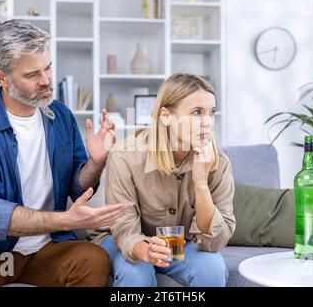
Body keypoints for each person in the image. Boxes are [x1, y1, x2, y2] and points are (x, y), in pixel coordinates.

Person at [0, 19, 126, 287]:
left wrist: (96, 163)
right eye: (32, 75)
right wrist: (64, 220)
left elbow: (76, 184)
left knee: (93, 259)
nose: (46, 80)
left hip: (45, 251)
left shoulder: (60, 116)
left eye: (48, 68)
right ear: (0, 77)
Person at [90, 73, 236, 287]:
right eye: (197, 112)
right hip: (124, 239)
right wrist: (145, 250)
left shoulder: (219, 162)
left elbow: (215, 240)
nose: (208, 122)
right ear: (166, 116)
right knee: (136, 276)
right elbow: (123, 229)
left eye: (211, 113)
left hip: (183, 243)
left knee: (212, 270)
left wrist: (201, 184)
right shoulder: (125, 155)